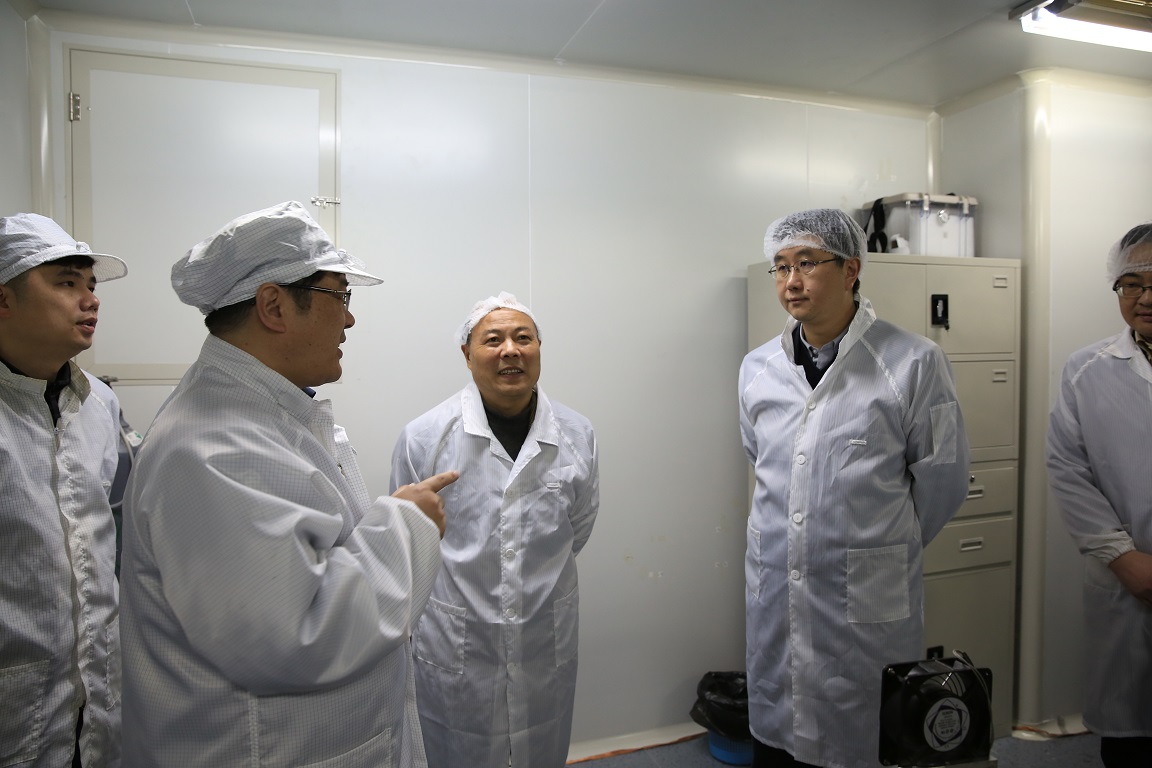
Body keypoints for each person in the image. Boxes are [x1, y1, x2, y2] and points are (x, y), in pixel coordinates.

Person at [119, 201, 457, 767]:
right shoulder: (214, 448)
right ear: (274, 306)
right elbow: (296, 635)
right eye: (339, 296)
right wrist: (407, 525)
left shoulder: (269, 416)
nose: (350, 320)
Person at [738, 209, 970, 768]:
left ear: (850, 270)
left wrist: (878, 546)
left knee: (863, 739)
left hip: (867, 598)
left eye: (807, 263)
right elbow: (764, 459)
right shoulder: (757, 367)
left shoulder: (912, 361)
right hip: (778, 585)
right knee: (779, 737)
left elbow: (943, 479)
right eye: (781, 267)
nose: (791, 281)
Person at [390, 291, 599, 768]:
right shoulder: (425, 437)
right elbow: (403, 540)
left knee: (541, 747)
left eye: (524, 338)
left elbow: (580, 526)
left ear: (539, 349)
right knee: (456, 750)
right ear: (467, 355)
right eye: (493, 340)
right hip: (458, 639)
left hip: (543, 634)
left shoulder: (577, 433)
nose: (511, 350)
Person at [0, 213, 128, 768]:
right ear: (4, 299)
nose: (90, 300)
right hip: (16, 710)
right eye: (67, 283)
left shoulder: (98, 403)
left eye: (92, 285)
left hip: (95, 705)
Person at [1046, 222, 1152, 768]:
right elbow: (1068, 468)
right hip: (1125, 576)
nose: (1145, 297)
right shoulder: (1087, 370)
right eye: (1131, 283)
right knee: (1130, 735)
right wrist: (1123, 558)